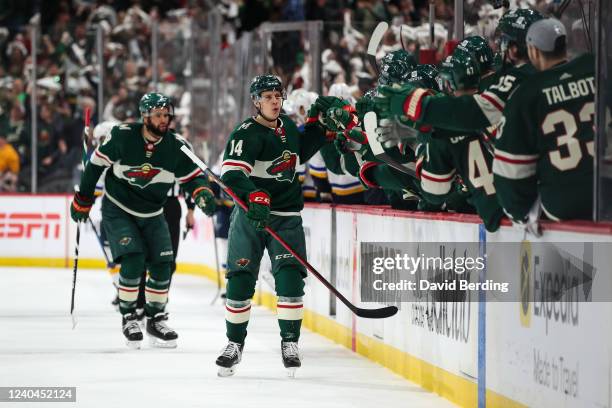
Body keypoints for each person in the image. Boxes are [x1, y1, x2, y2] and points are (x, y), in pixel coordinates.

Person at [70, 92, 216, 349]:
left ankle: (156, 318)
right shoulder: (123, 136)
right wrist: (83, 198)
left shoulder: (175, 145)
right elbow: (94, 166)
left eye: (166, 115)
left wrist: (201, 192)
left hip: (153, 212)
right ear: (145, 116)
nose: (164, 120)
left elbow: (193, 176)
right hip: (119, 209)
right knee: (133, 259)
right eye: (158, 115)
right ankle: (129, 317)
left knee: (163, 263)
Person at [215, 74, 333, 377]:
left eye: (278, 95)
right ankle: (234, 344)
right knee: (240, 281)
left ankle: (290, 343)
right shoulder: (246, 133)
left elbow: (300, 151)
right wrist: (253, 194)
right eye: (268, 96)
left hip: (287, 217)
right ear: (256, 101)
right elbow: (231, 175)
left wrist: (321, 127)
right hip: (251, 215)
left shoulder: (289, 127)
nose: (275, 101)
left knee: (291, 281)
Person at [493, 18, 595, 223]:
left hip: (562, 205)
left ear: (533, 51)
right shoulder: (594, 68)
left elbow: (511, 171)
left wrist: (520, 213)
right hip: (606, 193)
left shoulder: (526, 93)